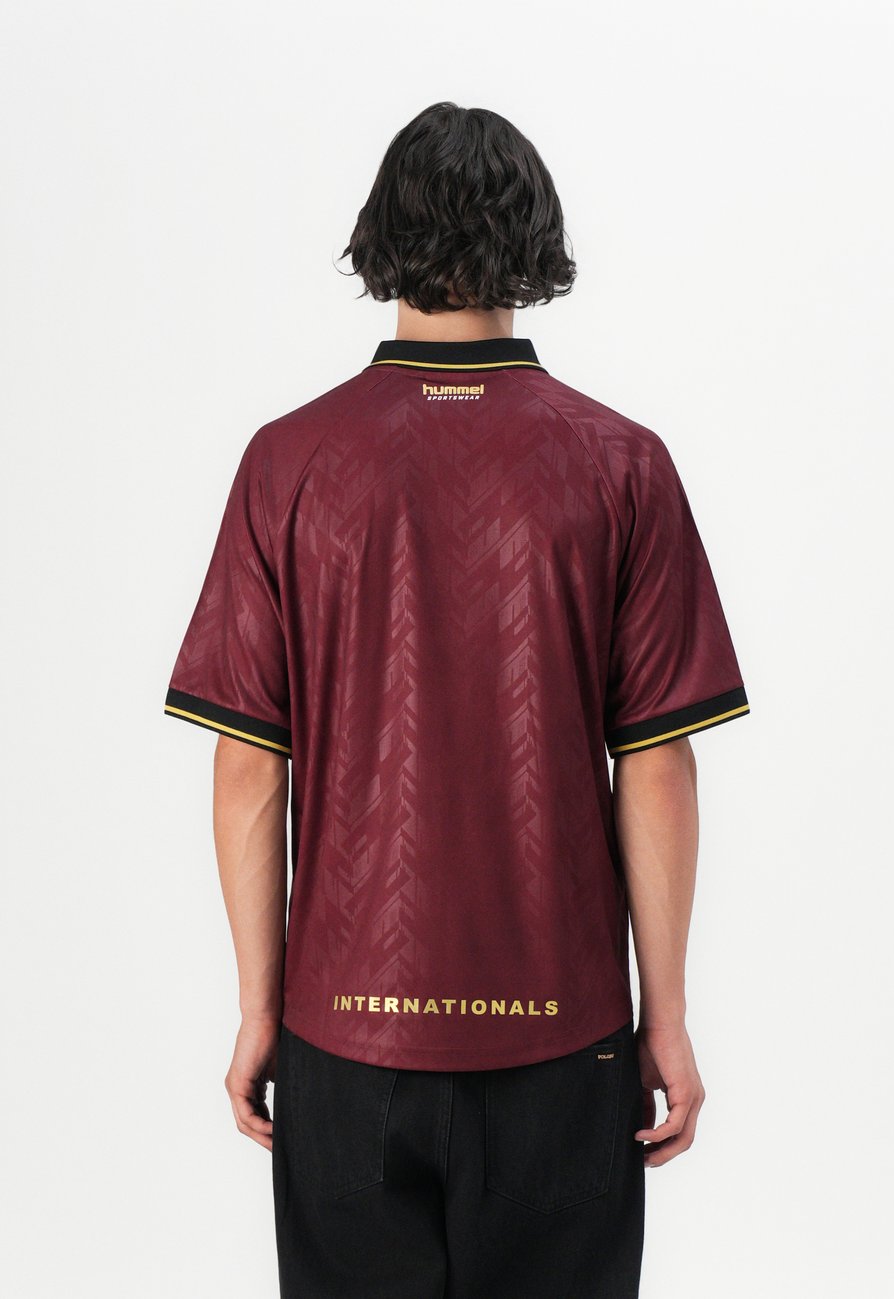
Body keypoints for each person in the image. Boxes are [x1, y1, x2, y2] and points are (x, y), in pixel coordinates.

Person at [163, 101, 750, 1298]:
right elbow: (654, 763)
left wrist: (260, 1009)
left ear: (379, 234)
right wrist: (667, 1015)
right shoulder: (620, 462)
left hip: (342, 1039)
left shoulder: (288, 461)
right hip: (567, 1042)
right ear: (536, 239)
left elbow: (247, 764)